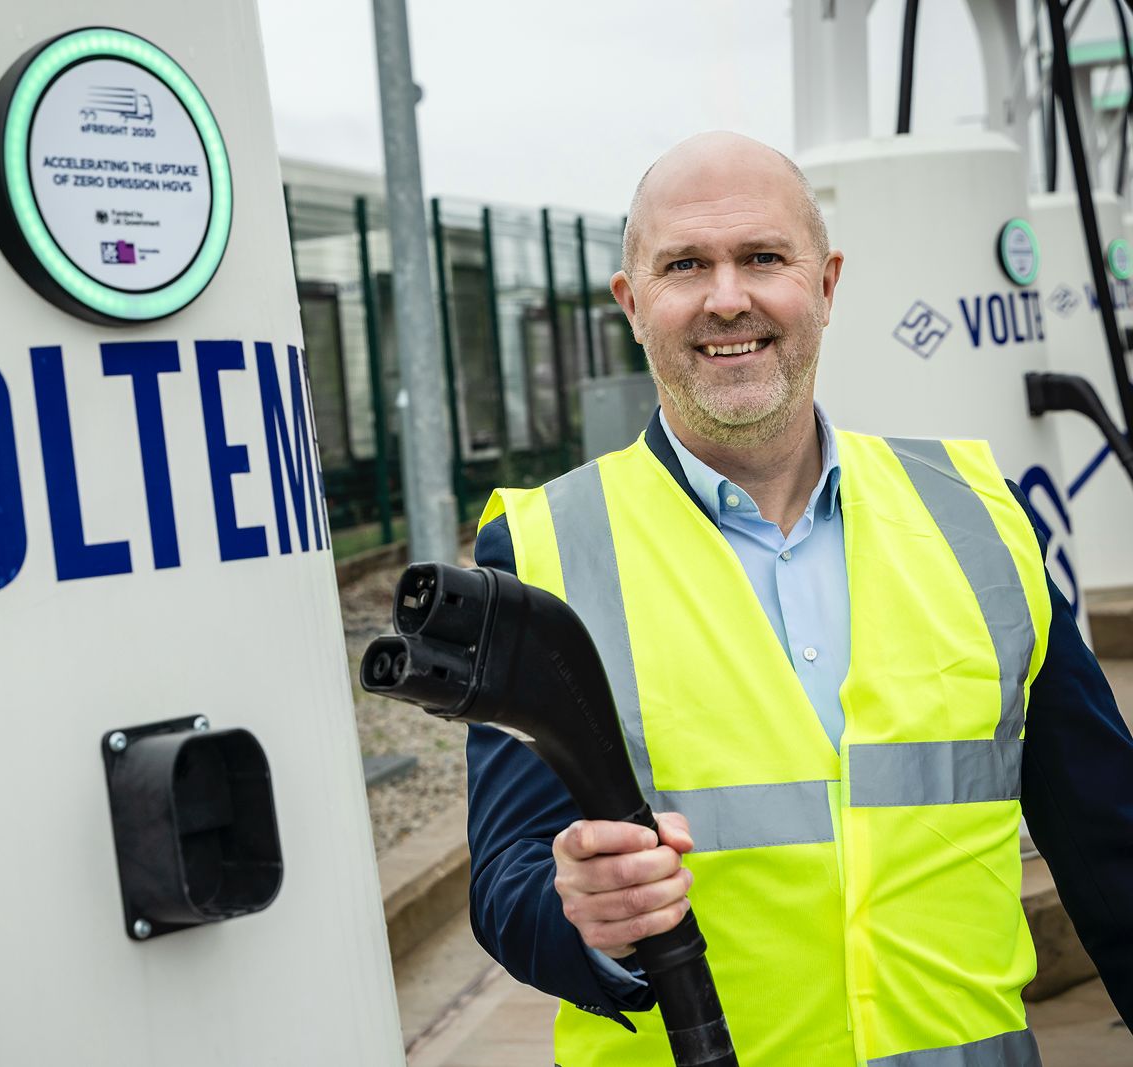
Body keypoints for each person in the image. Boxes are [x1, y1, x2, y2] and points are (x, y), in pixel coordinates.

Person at [467, 131, 1133, 1067]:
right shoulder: (544, 550)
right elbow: (506, 879)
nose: (727, 296)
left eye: (764, 258)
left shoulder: (980, 519)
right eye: (685, 264)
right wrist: (586, 916)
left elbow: (1110, 837)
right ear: (632, 303)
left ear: (825, 284)